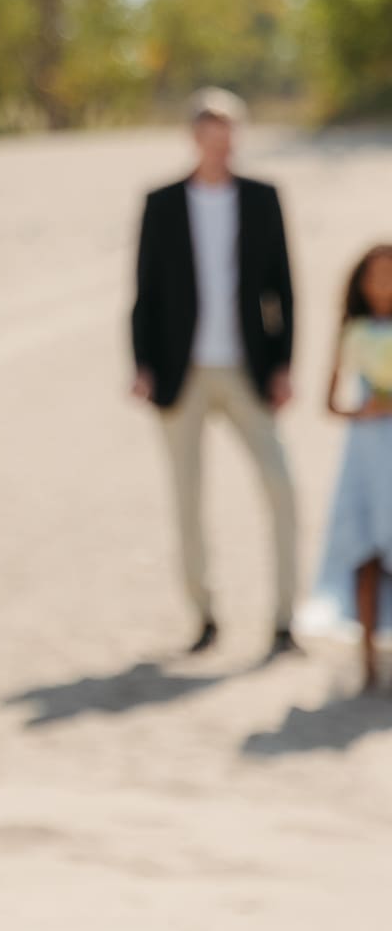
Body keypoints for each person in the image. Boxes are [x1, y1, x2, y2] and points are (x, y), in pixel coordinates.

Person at [131, 86, 300, 658]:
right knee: (188, 499)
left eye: (229, 132)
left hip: (248, 370)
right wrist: (142, 366)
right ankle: (204, 615)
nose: (221, 143)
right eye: (211, 132)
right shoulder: (162, 202)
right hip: (182, 373)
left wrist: (284, 366)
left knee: (281, 487)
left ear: (238, 136)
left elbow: (284, 288)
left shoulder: (262, 198)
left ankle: (284, 619)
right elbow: (144, 292)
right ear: (195, 136)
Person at [309, 244, 392, 691]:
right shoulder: (354, 332)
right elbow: (330, 401)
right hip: (364, 450)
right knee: (366, 549)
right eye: (376, 277)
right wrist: (363, 412)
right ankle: (367, 658)